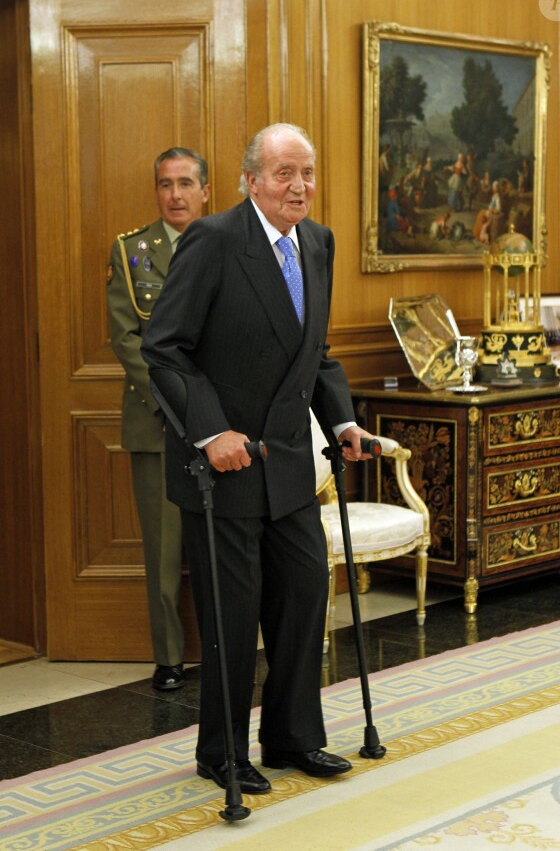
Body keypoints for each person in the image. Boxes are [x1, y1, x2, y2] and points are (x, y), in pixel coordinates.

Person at [141, 123, 375, 795]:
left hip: (291, 466)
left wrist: (343, 418)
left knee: (303, 596)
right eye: (283, 174)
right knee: (233, 621)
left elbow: (315, 350)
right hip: (224, 468)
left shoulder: (319, 242)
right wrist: (211, 431)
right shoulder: (214, 241)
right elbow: (165, 347)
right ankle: (222, 751)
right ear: (251, 180)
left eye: (306, 173)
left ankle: (293, 735)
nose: (299, 186)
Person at [106, 147, 210, 691]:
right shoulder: (133, 252)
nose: (175, 194)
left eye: (186, 183)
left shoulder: (229, 244)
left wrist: (213, 412)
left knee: (223, 543)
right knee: (164, 550)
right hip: (157, 422)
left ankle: (226, 647)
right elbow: (127, 338)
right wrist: (177, 404)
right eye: (166, 184)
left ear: (205, 191)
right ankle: (169, 657)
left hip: (223, 425)